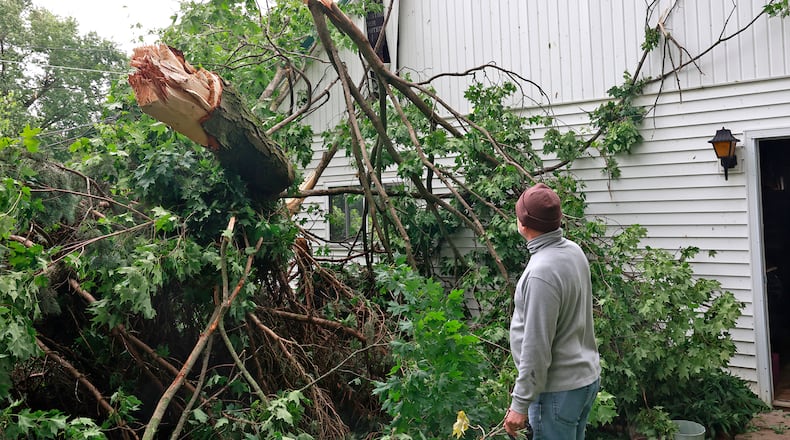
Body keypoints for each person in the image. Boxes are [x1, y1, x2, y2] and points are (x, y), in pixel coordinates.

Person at [503, 183, 601, 439]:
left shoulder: (541, 273)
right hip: (582, 382)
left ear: (523, 224)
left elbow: (536, 346)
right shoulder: (573, 251)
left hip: (557, 392)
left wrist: (519, 404)